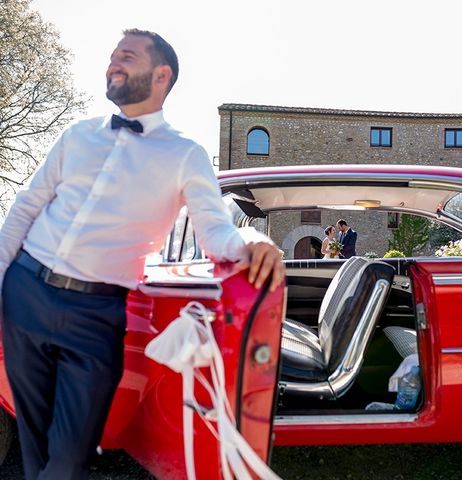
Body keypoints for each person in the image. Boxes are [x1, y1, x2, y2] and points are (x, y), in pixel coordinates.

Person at [0, 29, 284, 480]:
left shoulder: (186, 155)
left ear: (160, 74)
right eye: (112, 56)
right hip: (25, 290)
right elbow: (24, 209)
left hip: (97, 312)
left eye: (126, 57)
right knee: (35, 443)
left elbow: (215, 233)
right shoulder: (76, 136)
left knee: (70, 455)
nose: (112, 63)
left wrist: (255, 242)